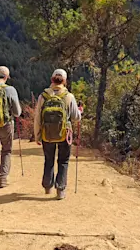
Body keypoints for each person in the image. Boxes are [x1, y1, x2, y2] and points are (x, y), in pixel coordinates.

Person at [34, 69, 81, 200]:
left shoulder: (43, 96)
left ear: (51, 79)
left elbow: (38, 117)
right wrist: (80, 111)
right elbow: (76, 117)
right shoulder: (68, 96)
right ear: (65, 81)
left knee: (48, 160)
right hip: (64, 134)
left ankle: (47, 187)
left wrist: (37, 135)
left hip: (46, 134)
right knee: (63, 160)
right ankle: (60, 190)